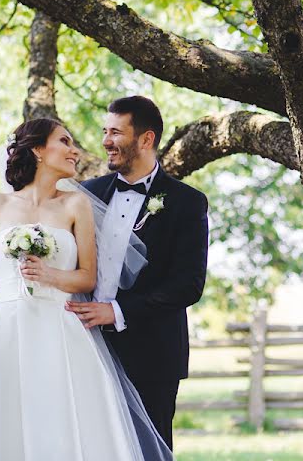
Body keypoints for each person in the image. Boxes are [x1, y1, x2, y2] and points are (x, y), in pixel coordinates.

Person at [0, 117, 172, 461]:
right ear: (38, 149)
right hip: (5, 334)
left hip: (61, 333)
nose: (74, 150)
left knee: (63, 428)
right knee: (7, 428)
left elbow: (87, 277)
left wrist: (49, 276)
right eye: (64, 141)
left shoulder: (74, 205)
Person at [67, 96, 209, 449]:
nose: (105, 141)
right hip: (87, 347)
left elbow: (188, 284)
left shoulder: (186, 202)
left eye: (116, 132)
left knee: (147, 451)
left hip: (152, 355)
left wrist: (116, 311)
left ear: (146, 139)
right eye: (105, 131)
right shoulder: (86, 194)